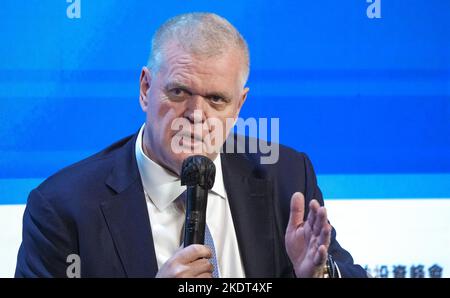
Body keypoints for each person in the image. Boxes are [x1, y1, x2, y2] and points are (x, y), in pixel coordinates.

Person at [15, 12, 367, 278]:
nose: (197, 115)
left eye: (216, 99)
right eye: (179, 92)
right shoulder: (63, 208)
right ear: (145, 89)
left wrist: (319, 275)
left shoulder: (285, 176)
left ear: (239, 105)